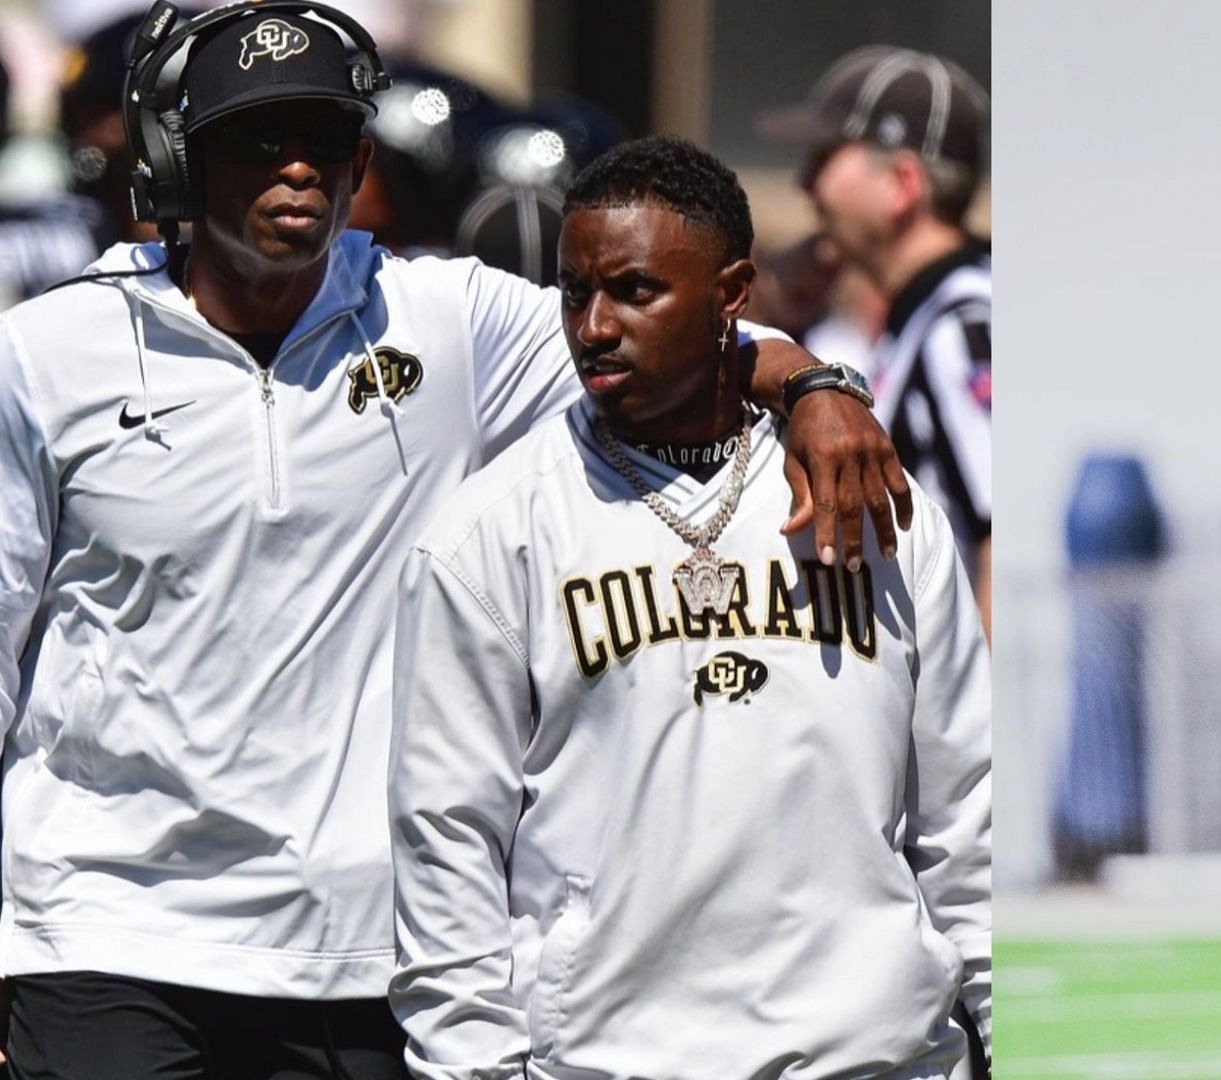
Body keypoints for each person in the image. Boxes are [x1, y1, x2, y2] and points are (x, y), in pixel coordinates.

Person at [0, 5, 906, 1076]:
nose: (299, 168)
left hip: (364, 950)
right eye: (258, 139)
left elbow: (681, 344)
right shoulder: (42, 355)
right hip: (104, 930)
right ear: (174, 158)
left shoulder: (446, 320)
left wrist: (817, 388)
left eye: (327, 139)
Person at [387, 134, 991, 1080]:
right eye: (574, 291)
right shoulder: (488, 537)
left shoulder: (877, 507)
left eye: (634, 291)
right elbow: (446, 845)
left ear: (732, 293)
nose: (592, 326)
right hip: (619, 1059)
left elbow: (965, 814)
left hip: (877, 1056)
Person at [761, 46, 993, 636]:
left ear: (901, 184)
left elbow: (996, 534)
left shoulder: (960, 327)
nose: (805, 182)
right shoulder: (922, 316)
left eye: (825, 157)